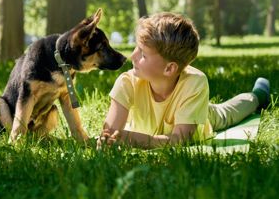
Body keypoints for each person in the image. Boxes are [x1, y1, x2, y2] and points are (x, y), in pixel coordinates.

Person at [97, 12, 270, 149]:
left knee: (225, 114)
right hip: (181, 112)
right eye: (136, 48)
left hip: (199, 117)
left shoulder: (195, 83)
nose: (132, 56)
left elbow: (179, 141)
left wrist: (134, 139)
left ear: (169, 69)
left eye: (142, 54)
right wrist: (108, 140)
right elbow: (109, 133)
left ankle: (258, 95)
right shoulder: (127, 82)